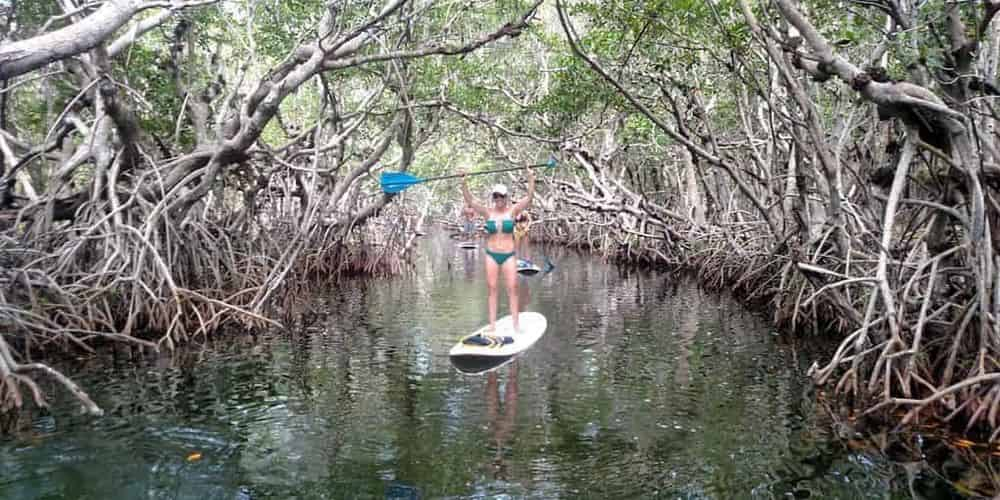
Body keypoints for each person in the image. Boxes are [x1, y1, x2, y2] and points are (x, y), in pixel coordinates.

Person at [460, 169, 535, 333]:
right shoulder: (488, 213)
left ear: (506, 197)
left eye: (501, 196)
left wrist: (530, 179)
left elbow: (529, 198)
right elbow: (471, 201)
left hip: (508, 254)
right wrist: (464, 182)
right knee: (492, 289)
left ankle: (516, 325)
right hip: (492, 255)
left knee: (513, 289)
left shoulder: (513, 211)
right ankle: (492, 325)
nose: (498, 199)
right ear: (493, 198)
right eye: (496, 196)